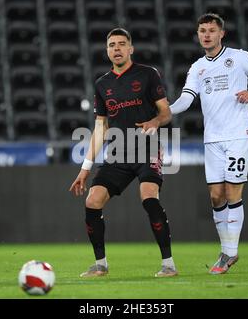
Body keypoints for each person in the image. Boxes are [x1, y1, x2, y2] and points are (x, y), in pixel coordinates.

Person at [170, 13, 248, 274]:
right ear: (198, 35)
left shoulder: (239, 57)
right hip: (212, 139)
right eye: (202, 30)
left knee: (232, 192)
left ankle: (230, 252)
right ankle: (225, 249)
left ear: (221, 34)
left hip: (239, 133)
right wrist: (166, 111)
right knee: (216, 197)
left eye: (211, 30)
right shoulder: (197, 67)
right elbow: (186, 99)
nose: (206, 34)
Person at [69, 28, 178, 278]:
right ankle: (101, 265)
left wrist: (155, 122)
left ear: (130, 48)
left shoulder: (148, 74)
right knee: (92, 201)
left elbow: (166, 111)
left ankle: (169, 264)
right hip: (118, 153)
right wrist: (85, 168)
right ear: (107, 51)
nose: (116, 49)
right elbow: (100, 127)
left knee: (149, 197)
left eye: (121, 44)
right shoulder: (102, 84)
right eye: (111, 45)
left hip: (147, 148)